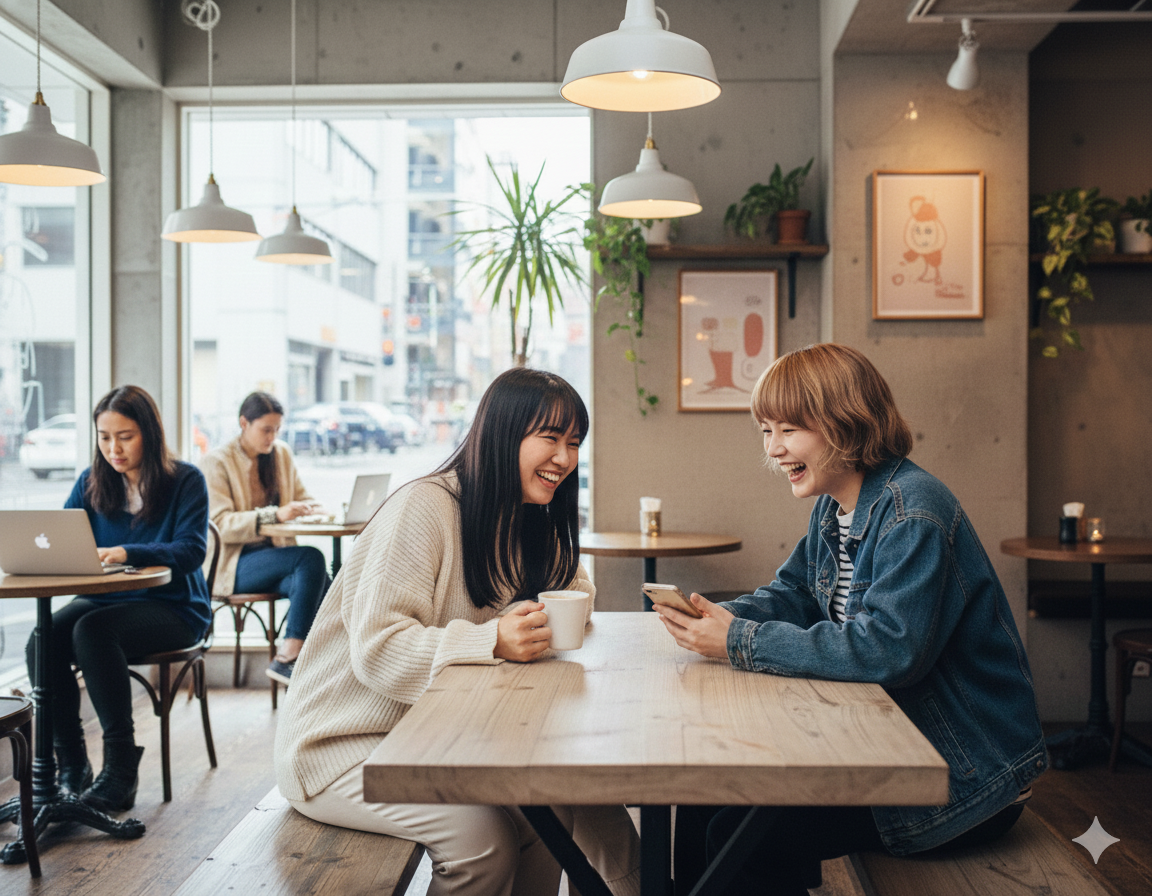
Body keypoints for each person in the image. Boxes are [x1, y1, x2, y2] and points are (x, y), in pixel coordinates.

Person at [655, 344, 1048, 896]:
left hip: (966, 777)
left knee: (742, 834)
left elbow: (890, 651)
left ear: (844, 422)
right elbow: (792, 592)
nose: (773, 449)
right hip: (893, 744)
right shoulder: (835, 506)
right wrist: (714, 618)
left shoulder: (914, 512)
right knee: (707, 802)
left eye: (788, 430)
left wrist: (738, 640)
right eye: (766, 431)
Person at [275, 367, 641, 896]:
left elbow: (575, 595)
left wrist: (548, 612)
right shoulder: (423, 508)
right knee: (482, 841)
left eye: (574, 442)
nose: (564, 458)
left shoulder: (529, 515)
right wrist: (492, 638)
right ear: (502, 436)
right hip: (342, 745)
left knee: (544, 819)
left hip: (440, 740)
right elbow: (378, 651)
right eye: (550, 438)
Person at [27, 385, 211, 812]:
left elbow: (190, 551)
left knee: (92, 631)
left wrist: (129, 552)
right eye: (104, 437)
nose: (114, 448)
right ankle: (73, 766)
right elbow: (58, 539)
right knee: (42, 639)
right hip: (107, 602)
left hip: (175, 606)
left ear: (148, 432)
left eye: (125, 436)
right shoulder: (92, 484)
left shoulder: (185, 480)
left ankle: (121, 770)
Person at [200, 392, 330, 684]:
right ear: (243, 423)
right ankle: (288, 657)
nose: (272, 437)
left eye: (277, 430)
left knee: (326, 584)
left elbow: (301, 497)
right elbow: (220, 523)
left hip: (275, 560)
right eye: (266, 429)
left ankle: (317, 672)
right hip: (233, 565)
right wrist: (276, 515)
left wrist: (313, 509)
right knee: (311, 558)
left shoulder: (281, 454)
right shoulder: (216, 463)